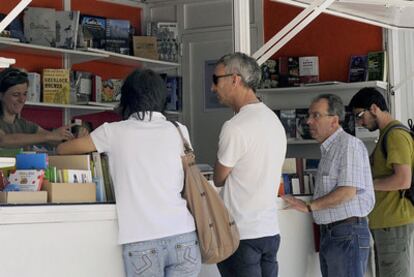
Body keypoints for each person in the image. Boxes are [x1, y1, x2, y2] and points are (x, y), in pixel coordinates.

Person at [56, 68, 201, 277]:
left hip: (142, 239)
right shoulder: (179, 129)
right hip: (183, 235)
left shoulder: (113, 131)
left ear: (127, 97)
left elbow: (63, 150)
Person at [282, 94, 375, 277]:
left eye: (316, 115)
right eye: (309, 115)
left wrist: (309, 206)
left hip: (346, 234)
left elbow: (347, 192)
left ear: (334, 120)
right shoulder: (329, 150)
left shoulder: (348, 145)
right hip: (334, 235)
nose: (308, 121)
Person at [211, 52, 287, 277]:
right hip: (269, 231)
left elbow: (219, 178)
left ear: (235, 79)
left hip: (241, 235)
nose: (213, 88)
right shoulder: (274, 121)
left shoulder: (235, 126)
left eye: (216, 80)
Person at [349, 87, 414, 277]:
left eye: (360, 115)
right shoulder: (387, 135)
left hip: (393, 221)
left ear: (374, 108)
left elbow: (403, 180)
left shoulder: (395, 135)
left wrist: (365, 186)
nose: (360, 122)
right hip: (387, 221)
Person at [0, 67, 74, 148]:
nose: (22, 100)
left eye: (24, 94)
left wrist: (71, 138)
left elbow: (54, 141)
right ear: (1, 95)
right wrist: (49, 136)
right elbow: (3, 140)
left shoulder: (25, 125)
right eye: (16, 95)